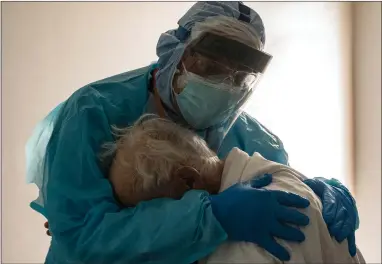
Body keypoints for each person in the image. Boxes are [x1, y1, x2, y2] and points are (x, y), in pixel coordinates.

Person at [26, 2, 359, 263]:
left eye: (239, 77)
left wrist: (318, 191)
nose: (223, 85)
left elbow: (282, 197)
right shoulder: (93, 112)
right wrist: (208, 216)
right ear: (175, 53)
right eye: (210, 67)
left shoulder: (256, 140)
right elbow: (80, 235)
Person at [104, 114, 365, 264]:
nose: (151, 225)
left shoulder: (256, 238)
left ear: (188, 181)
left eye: (149, 210)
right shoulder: (275, 175)